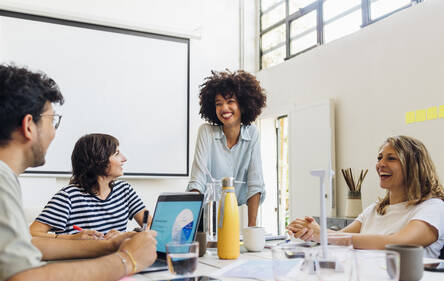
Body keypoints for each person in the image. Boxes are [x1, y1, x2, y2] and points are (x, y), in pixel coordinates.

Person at [0, 65, 157, 281]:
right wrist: (127, 260)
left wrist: (107, 245)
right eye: (52, 120)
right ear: (29, 126)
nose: (54, 132)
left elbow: (29, 244)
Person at [287, 135, 444, 258]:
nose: (380, 164)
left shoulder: (433, 207)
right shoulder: (374, 209)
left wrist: (322, 233)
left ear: (413, 166)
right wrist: (312, 232)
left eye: (391, 158)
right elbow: (340, 238)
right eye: (379, 157)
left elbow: (397, 242)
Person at [30, 133, 150, 240]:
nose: (124, 159)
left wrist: (126, 235)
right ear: (99, 160)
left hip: (117, 259)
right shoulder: (69, 196)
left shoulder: (125, 190)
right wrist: (71, 238)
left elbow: (151, 226)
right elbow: (32, 233)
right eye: (117, 154)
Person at [186, 70, 267, 227]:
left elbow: (255, 183)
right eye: (218, 103)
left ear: (243, 105)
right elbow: (197, 181)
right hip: (204, 216)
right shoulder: (206, 132)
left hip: (232, 214)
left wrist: (252, 228)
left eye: (230, 101)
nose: (224, 108)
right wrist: (191, 224)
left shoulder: (252, 134)